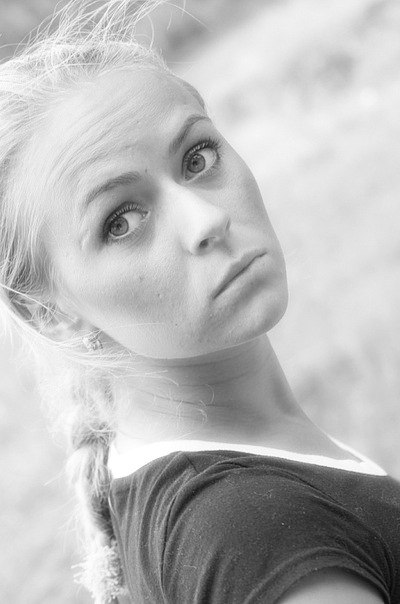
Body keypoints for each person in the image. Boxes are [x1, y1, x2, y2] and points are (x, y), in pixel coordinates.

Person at [0, 1, 399, 602]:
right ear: (49, 313)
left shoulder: (201, 481)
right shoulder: (254, 534)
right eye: (121, 222)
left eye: (197, 158)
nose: (208, 220)